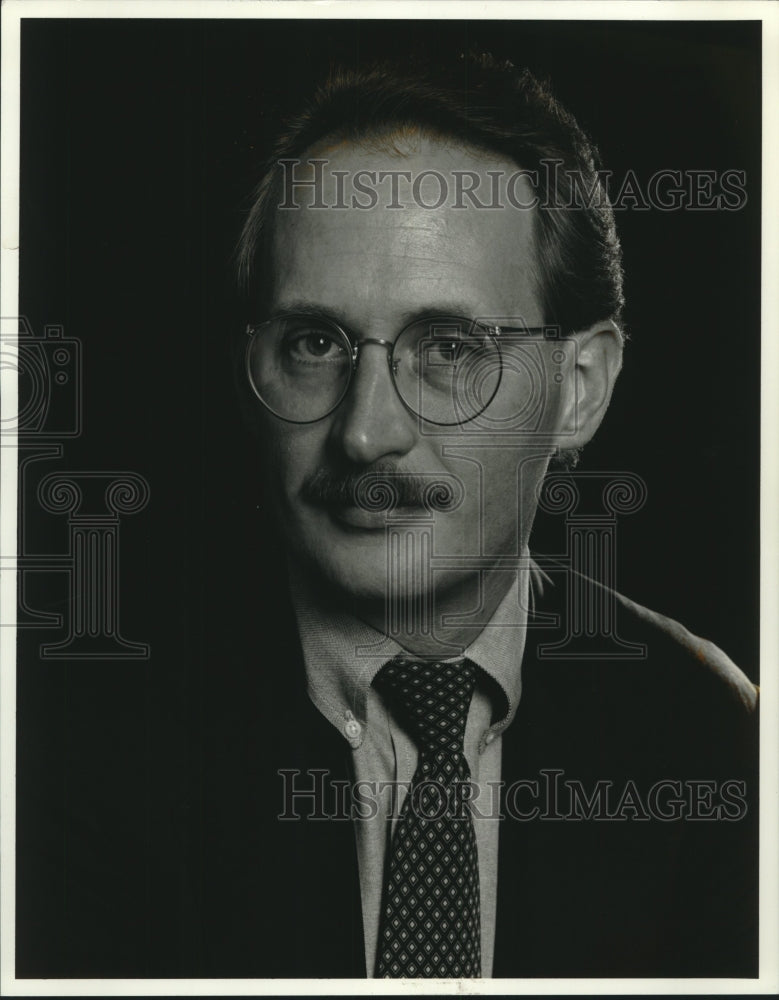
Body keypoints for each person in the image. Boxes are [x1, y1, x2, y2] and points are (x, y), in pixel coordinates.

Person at [217, 53, 758, 979]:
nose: (365, 433)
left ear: (578, 389)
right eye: (314, 342)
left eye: (448, 349)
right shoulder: (63, 739)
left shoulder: (716, 743)